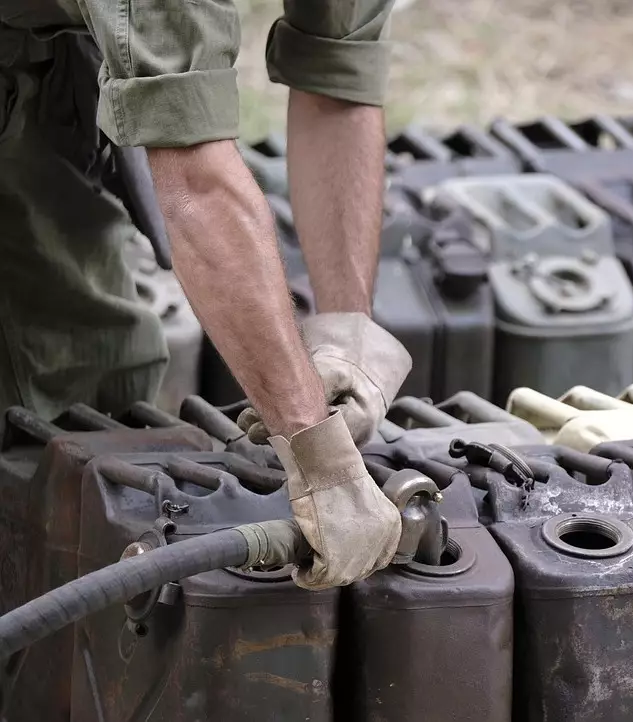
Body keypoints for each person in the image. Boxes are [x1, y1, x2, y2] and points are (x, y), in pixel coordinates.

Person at [0, 1, 412, 590]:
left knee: (89, 393)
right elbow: (196, 178)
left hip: (37, 49)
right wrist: (318, 457)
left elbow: (337, 79)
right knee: (42, 410)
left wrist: (347, 327)